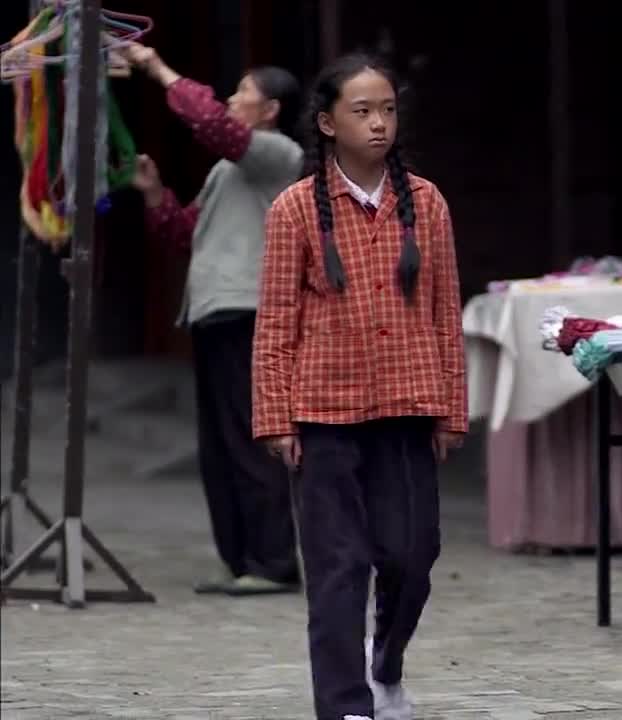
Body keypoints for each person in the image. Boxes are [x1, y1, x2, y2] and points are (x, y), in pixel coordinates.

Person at [251, 53, 467, 720]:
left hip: (408, 407)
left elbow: (444, 310)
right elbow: (275, 322)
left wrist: (452, 410)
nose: (378, 124)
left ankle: (386, 665)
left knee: (411, 558)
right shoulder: (293, 210)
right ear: (326, 122)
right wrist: (275, 419)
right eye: (362, 111)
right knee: (338, 570)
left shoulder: (425, 203)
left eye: (388, 110)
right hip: (323, 413)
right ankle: (346, 706)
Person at [123, 42, 303, 596]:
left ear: (270, 108)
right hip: (215, 314)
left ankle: (273, 562)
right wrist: (154, 195)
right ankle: (240, 557)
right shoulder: (229, 171)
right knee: (219, 447)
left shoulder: (278, 154)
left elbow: (210, 123)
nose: (230, 99)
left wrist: (157, 69)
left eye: (243, 91)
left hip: (249, 311)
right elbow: (185, 234)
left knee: (250, 439)